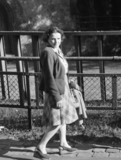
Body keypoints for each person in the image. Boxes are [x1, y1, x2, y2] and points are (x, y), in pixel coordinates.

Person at [34, 26, 78, 159]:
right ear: (47, 38)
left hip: (62, 88)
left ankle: (63, 142)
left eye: (58, 38)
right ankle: (40, 147)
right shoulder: (48, 52)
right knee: (56, 121)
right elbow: (48, 77)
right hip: (55, 91)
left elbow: (61, 71)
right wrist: (57, 97)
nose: (56, 41)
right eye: (53, 38)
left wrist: (69, 83)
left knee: (62, 117)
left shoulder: (57, 50)